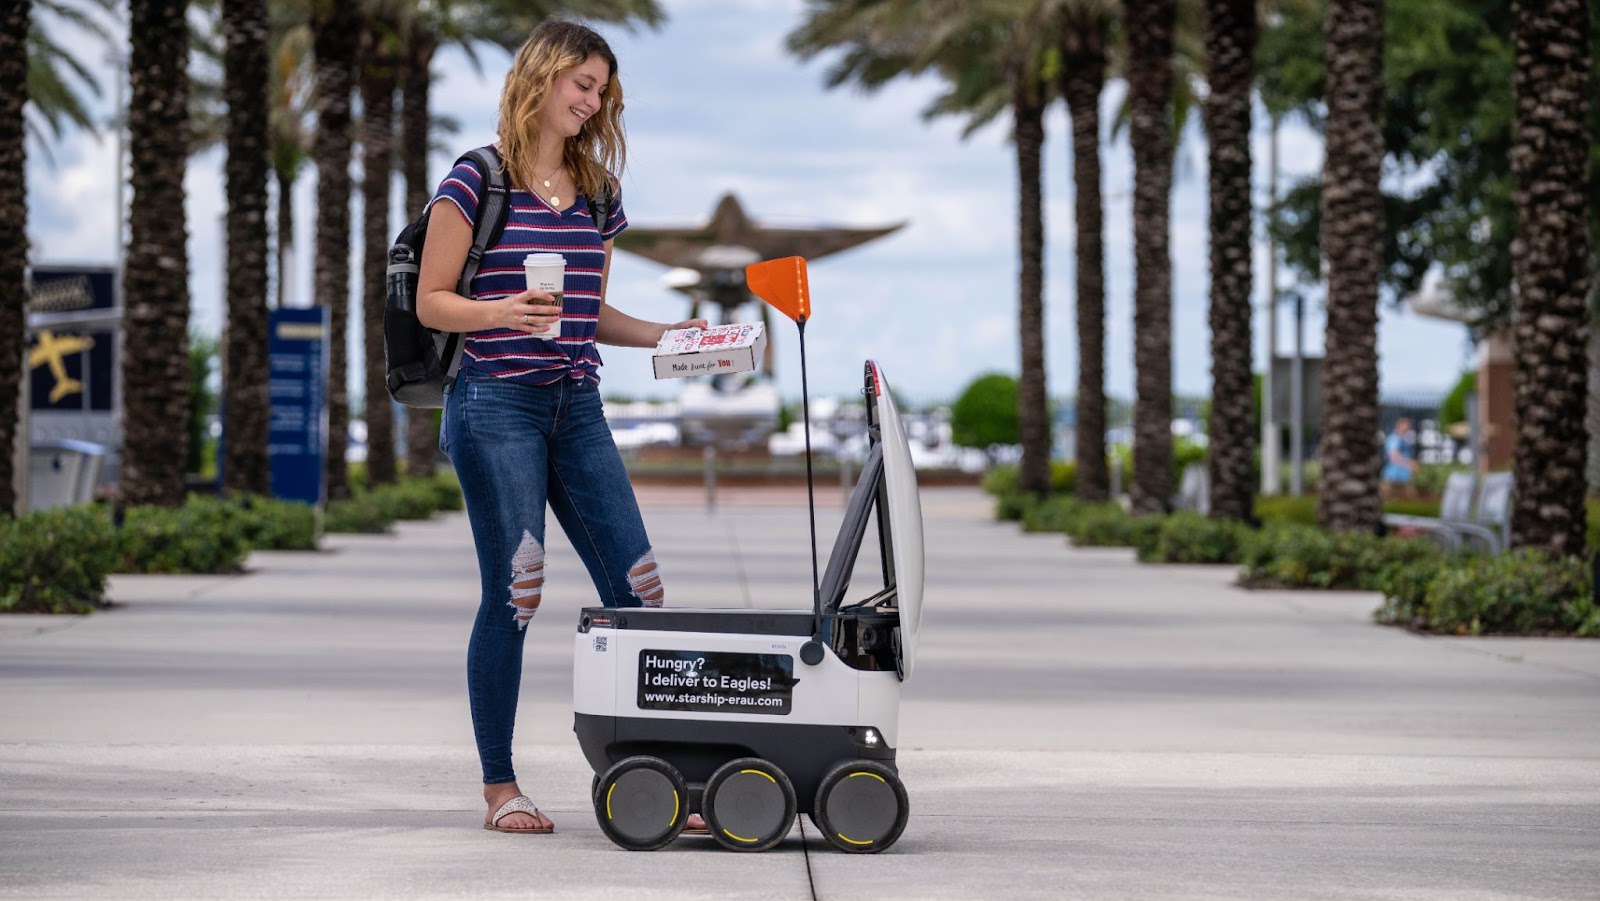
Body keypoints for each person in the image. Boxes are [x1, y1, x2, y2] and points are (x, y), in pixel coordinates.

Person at [417, 19, 707, 836]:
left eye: (601, 89)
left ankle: (661, 776)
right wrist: (500, 310)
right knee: (517, 589)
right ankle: (500, 786)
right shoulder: (477, 179)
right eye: (582, 83)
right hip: (494, 402)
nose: (592, 100)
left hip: (575, 403)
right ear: (541, 78)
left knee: (640, 588)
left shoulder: (601, 192)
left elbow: (592, 311)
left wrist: (671, 337)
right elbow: (431, 298)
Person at [1381, 417, 1420, 499]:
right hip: (1392, 472)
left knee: (1410, 497)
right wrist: (1409, 463)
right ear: (1399, 425)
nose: (1408, 427)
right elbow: (1393, 456)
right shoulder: (1394, 439)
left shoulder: (1404, 439)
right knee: (1386, 496)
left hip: (1404, 473)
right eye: (1405, 425)